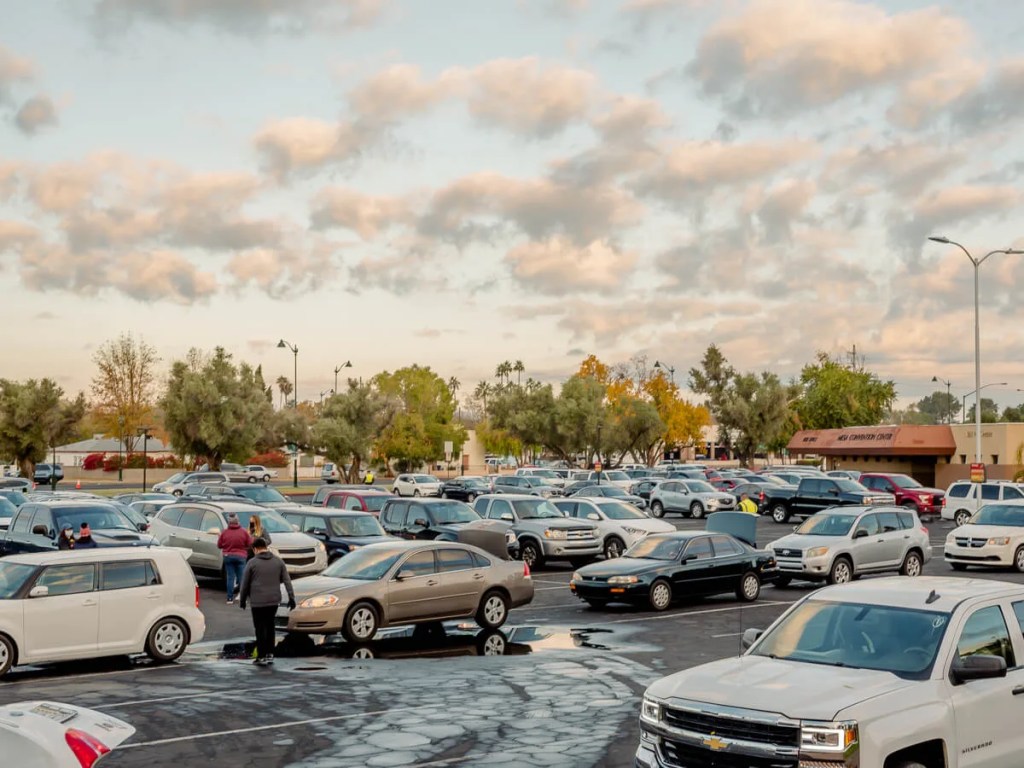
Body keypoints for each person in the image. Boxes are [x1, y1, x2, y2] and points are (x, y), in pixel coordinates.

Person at [239, 537, 294, 666]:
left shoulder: (252, 563)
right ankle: (270, 653)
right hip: (274, 601)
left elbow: (244, 584)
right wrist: (291, 598)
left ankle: (261, 655)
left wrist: (242, 600)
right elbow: (287, 581)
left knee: (259, 628)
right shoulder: (278, 562)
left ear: (255, 549)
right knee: (270, 626)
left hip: (258, 602)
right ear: (266, 547)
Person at [217, 511, 252, 604]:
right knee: (242, 577)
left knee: (230, 577)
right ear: (238, 521)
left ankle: (229, 598)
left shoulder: (224, 533)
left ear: (229, 522)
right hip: (241, 556)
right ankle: (242, 597)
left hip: (228, 556)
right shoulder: (244, 532)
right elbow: (249, 544)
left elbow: (219, 545)